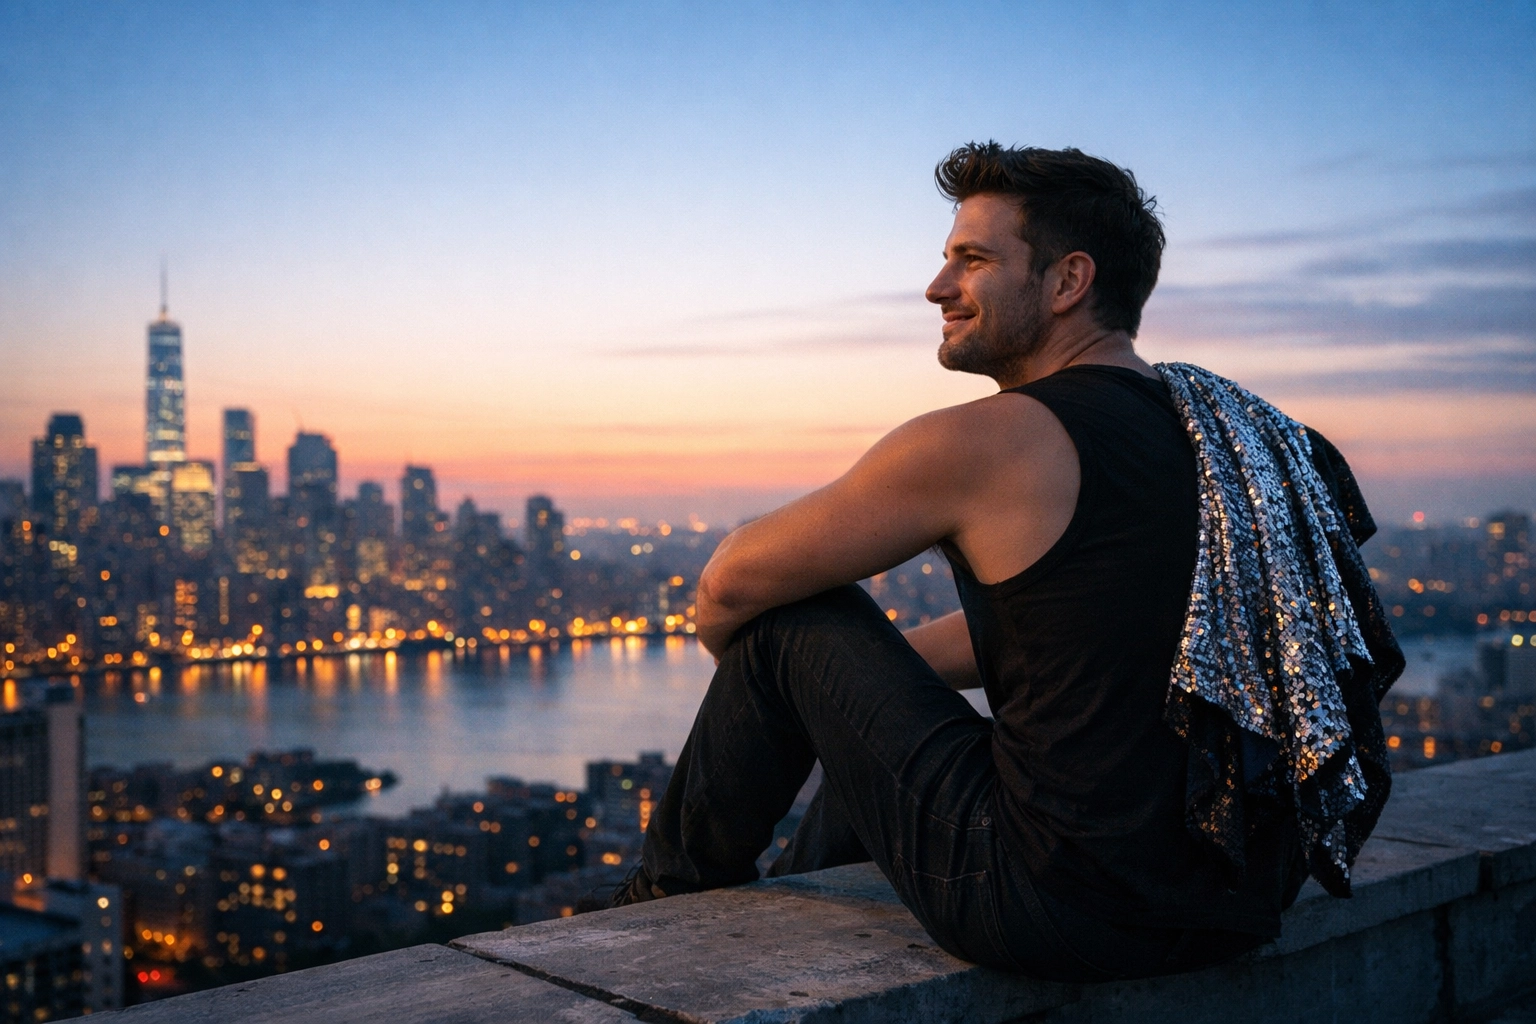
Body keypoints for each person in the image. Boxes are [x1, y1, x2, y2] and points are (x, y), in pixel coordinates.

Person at [610, 143, 1401, 982]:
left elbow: (729, 585)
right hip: (1236, 900)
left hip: (1053, 904)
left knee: (790, 618)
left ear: (1068, 282)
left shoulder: (996, 439)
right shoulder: (1225, 436)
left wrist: (793, 669)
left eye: (972, 259)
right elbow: (1085, 623)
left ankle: (662, 903)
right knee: (870, 712)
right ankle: (803, 888)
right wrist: (861, 685)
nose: (936, 287)